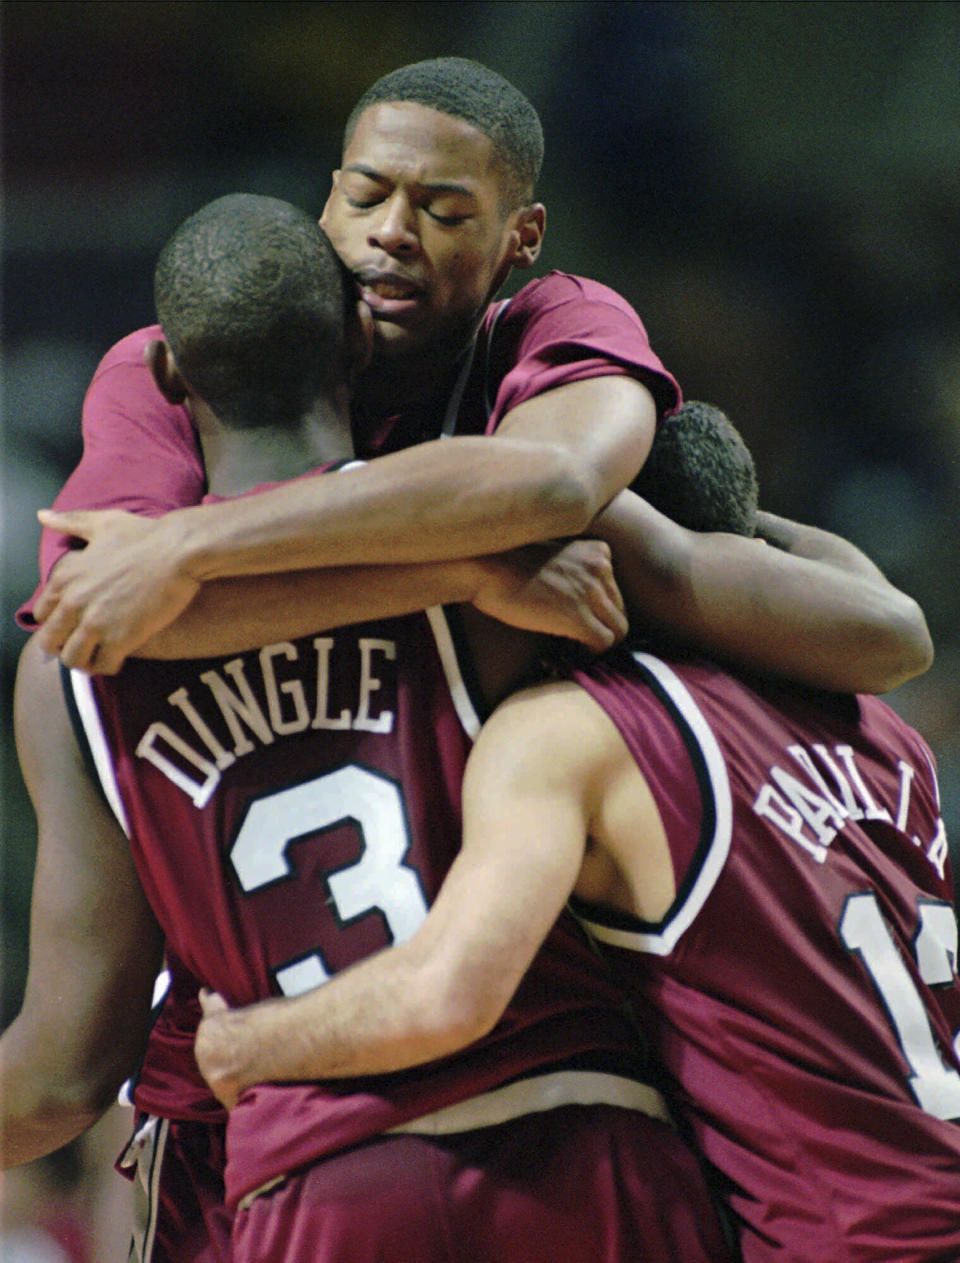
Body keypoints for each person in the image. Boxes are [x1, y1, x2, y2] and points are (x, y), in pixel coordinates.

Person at [6, 194, 735, 1263]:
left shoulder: (75, 657)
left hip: (320, 1179)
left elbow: (66, 1072)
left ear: (171, 382)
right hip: (576, 1133)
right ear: (359, 341)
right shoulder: (494, 547)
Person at [194, 403, 960, 1262]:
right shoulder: (890, 732)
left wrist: (242, 1043)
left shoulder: (578, 732)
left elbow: (448, 993)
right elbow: (853, 587)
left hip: (852, 1241)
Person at [22, 58, 929, 694]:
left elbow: (556, 481)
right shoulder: (206, 345)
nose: (392, 233)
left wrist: (190, 546)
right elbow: (97, 616)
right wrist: (466, 569)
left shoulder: (556, 320)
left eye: (445, 210)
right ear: (328, 196)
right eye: (368, 195)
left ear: (520, 239)